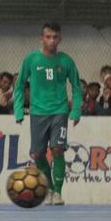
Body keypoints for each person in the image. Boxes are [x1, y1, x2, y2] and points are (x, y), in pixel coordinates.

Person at [14, 23, 82, 206]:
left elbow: (76, 87)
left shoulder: (66, 61)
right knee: (37, 154)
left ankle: (58, 193)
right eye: (48, 37)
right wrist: (18, 109)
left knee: (58, 149)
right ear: (41, 38)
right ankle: (50, 188)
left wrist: (76, 110)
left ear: (60, 39)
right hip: (37, 113)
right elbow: (19, 85)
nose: (52, 40)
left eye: (55, 37)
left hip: (59, 111)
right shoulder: (31, 60)